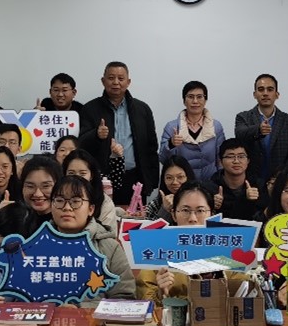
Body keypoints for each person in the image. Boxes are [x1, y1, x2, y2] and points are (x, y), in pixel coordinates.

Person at [79, 62, 159, 205]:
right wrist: (96, 135)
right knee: (104, 216)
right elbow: (81, 144)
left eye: (121, 78)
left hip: (135, 177)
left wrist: (151, 180)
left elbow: (151, 147)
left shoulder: (142, 109)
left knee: (134, 217)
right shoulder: (90, 108)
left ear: (128, 82)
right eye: (111, 78)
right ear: (103, 81)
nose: (116, 82)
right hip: (102, 178)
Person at [48, 175, 135, 299]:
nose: (67, 207)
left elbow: (124, 297)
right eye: (60, 200)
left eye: (76, 201)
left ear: (91, 209)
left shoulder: (110, 248)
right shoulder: (35, 245)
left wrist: (81, 308)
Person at [137, 180, 215, 302]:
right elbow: (144, 302)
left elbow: (242, 289)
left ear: (212, 215)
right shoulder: (156, 252)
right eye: (185, 210)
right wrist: (161, 294)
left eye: (200, 211)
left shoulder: (227, 248)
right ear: (173, 215)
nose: (193, 218)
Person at [234, 74, 288, 183]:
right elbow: (240, 134)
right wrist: (258, 130)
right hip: (249, 179)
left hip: (280, 180)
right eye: (261, 89)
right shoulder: (243, 117)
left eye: (270, 89)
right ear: (255, 94)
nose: (265, 93)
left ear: (277, 94)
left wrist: (282, 176)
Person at [158, 80, 225, 182]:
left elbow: (221, 159)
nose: (195, 101)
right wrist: (171, 144)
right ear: (184, 101)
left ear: (205, 100)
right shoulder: (172, 127)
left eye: (199, 97)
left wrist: (220, 182)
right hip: (181, 184)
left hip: (210, 182)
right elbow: (163, 160)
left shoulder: (215, 126)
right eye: (190, 97)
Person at [63, 149, 120, 234]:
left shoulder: (104, 202)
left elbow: (108, 234)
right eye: (71, 173)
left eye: (82, 174)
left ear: (91, 175)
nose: (77, 178)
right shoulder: (58, 198)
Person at [210, 139, 266, 221]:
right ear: (220, 161)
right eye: (230, 157)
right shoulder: (211, 187)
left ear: (248, 161)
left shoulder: (258, 185)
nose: (236, 161)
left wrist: (249, 201)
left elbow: (264, 218)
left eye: (241, 156)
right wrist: (212, 206)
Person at [144, 156, 195, 222]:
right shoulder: (155, 204)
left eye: (180, 177)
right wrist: (164, 210)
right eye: (169, 178)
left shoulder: (201, 200)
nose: (175, 182)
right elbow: (149, 228)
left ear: (188, 177)